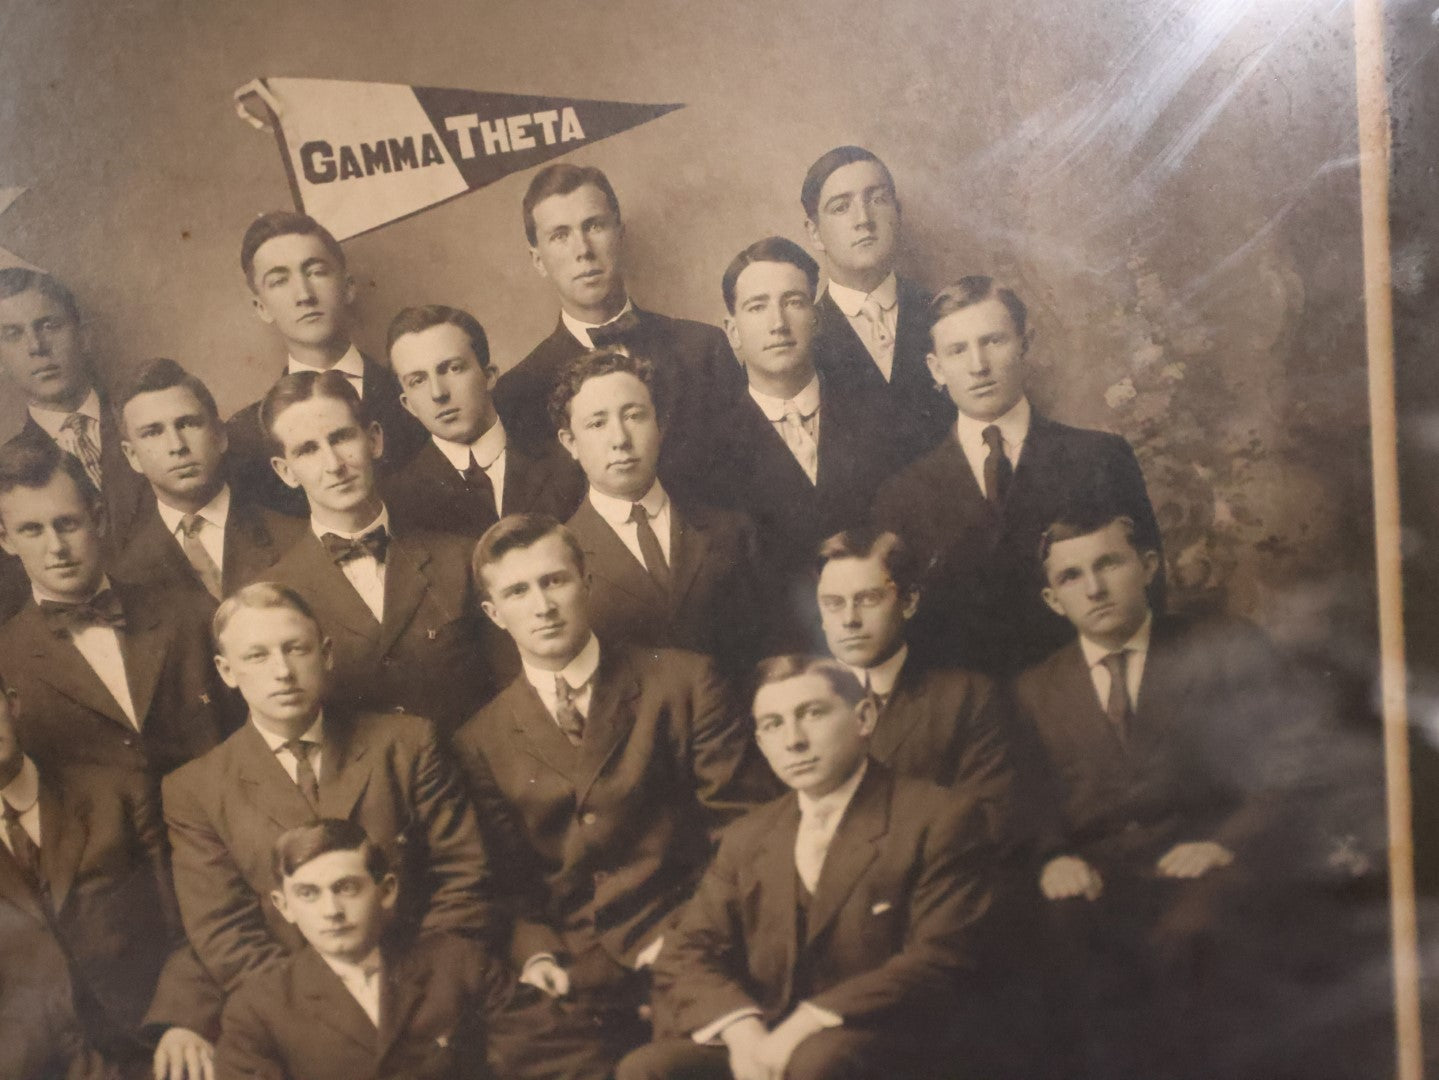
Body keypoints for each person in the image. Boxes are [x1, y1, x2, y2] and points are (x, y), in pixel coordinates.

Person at [452, 514, 779, 1076]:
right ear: (494, 614)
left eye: (554, 581)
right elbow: (511, 885)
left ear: (587, 581)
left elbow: (744, 834)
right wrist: (536, 955)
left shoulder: (682, 682)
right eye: (517, 592)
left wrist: (688, 938)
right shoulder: (479, 740)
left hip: (697, 943)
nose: (542, 605)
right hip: (578, 968)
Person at [619, 655, 992, 1080]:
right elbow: (687, 951)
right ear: (760, 741)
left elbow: (939, 958)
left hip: (885, 1039)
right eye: (773, 725)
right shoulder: (749, 836)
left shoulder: (939, 817)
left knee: (817, 1064)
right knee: (647, 1069)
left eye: (812, 714)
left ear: (864, 716)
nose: (793, 741)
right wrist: (742, 1031)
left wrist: (809, 1021)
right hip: (769, 1037)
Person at [1013, 506, 1286, 1077]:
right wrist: (1054, 856)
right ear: (1050, 600)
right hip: (1098, 876)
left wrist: (1222, 843)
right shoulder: (1034, 690)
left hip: (1205, 863)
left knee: (1193, 939)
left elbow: (1282, 768)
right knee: (1052, 945)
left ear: (1150, 567)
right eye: (1071, 577)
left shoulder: (1219, 647)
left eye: (1108, 564)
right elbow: (1028, 800)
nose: (1094, 588)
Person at [162, 583, 497, 1007]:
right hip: (301, 1013)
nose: (282, 671)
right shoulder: (196, 789)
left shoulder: (406, 745)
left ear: (326, 653)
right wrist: (326, 1011)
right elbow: (224, 932)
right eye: (257, 656)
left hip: (427, 990)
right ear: (227, 672)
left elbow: (463, 877)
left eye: (296, 649)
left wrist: (413, 986)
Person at [873, 276, 1162, 674]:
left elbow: (1150, 601)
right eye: (958, 350)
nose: (979, 366)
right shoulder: (902, 495)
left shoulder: (1099, 458)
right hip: (969, 718)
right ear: (935, 369)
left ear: (1025, 344)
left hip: (1089, 702)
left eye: (993, 341)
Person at [260, 369, 509, 734]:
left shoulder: (462, 559)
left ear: (374, 439)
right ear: (286, 471)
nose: (333, 465)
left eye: (341, 438)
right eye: (308, 450)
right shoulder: (273, 595)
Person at [493, 163, 745, 494]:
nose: (582, 250)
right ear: (538, 260)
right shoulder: (518, 392)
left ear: (620, 234)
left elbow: (749, 478)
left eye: (594, 226)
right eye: (560, 235)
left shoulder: (703, 350)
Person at [0, 439, 236, 777]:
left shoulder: (189, 614)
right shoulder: (6, 659)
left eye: (67, 524)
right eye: (32, 531)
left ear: (98, 518)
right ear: (6, 540)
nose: (56, 548)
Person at [0, 679, 197, 1080]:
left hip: (165, 1041)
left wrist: (181, 1020)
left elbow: (194, 925)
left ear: (13, 705)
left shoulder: (116, 791)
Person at [214, 819, 511, 1080]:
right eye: (308, 894)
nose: (331, 911)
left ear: (386, 890)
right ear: (284, 906)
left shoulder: (460, 964)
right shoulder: (257, 1010)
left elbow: (549, 1061)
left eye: (346, 888)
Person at [692, 237, 904, 583]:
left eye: (793, 302)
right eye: (757, 307)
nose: (778, 323)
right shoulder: (709, 449)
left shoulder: (881, 416)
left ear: (816, 318)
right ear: (733, 331)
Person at [553, 345, 775, 673]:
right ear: (570, 442)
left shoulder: (733, 531)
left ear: (660, 425)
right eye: (597, 424)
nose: (620, 438)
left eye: (634, 416)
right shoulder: (560, 555)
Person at [224, 211, 426, 515]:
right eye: (279, 281)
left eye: (316, 271)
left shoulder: (419, 392)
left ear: (347, 287)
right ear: (261, 307)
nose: (304, 295)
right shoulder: (246, 437)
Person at [814, 528, 1012, 835]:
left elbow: (986, 821)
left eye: (868, 599)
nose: (849, 619)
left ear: (908, 602)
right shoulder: (790, 700)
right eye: (834, 603)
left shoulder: (966, 697)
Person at [112, 358, 304, 602]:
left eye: (188, 424)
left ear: (220, 435)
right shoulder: (125, 573)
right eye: (153, 433)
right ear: (132, 456)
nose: (177, 446)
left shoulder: (294, 536)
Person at [385, 304, 584, 538]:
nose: (438, 393)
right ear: (408, 404)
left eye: (452, 368)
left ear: (489, 376)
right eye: (417, 381)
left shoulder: (567, 461)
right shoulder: (398, 501)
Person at [802, 146, 951, 458]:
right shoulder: (801, 337)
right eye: (841, 207)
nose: (864, 220)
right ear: (815, 233)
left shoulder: (945, 315)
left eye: (877, 199)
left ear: (898, 213)